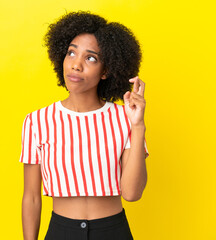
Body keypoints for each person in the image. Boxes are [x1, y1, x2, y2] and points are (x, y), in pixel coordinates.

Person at [19, 10, 150, 240]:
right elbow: (31, 197)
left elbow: (131, 193)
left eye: (90, 58)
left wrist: (138, 126)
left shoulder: (124, 119)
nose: (76, 65)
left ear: (106, 71)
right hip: (61, 231)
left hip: (113, 231)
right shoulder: (37, 122)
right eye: (71, 53)